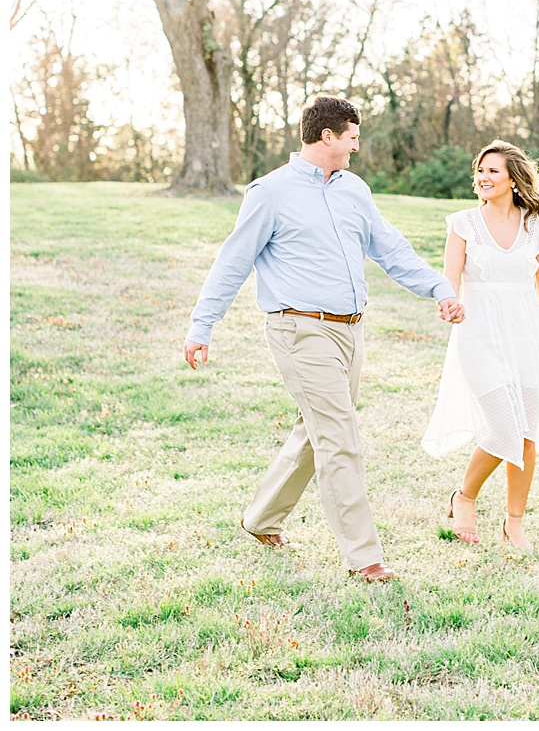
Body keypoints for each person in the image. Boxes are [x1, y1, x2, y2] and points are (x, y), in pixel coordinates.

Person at [183, 94, 466, 584]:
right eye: (352, 137)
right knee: (339, 437)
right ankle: (364, 558)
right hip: (298, 329)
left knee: (315, 433)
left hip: (349, 332)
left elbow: (391, 249)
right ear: (327, 136)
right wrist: (201, 326)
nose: (357, 147)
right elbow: (233, 262)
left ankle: (261, 518)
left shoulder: (355, 190)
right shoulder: (268, 193)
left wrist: (439, 287)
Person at [424, 140, 539, 549]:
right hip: (478, 334)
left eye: (492, 171)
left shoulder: (535, 226)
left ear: (512, 178)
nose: (483, 177)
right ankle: (465, 496)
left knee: (527, 432)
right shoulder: (463, 224)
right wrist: (449, 304)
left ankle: (515, 522)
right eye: (479, 171)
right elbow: (450, 278)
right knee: (503, 425)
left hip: (527, 333)